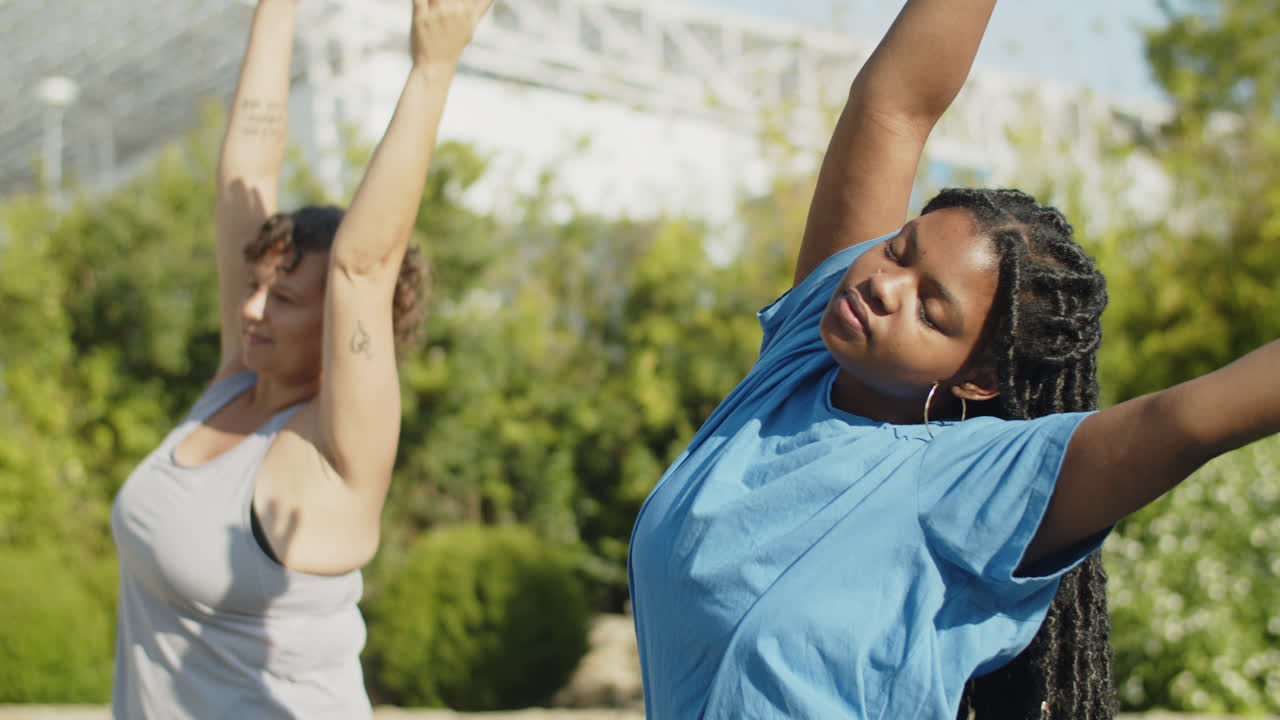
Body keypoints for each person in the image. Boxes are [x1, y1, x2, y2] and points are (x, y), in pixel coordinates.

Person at [627, 1, 1280, 718]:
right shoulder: (803, 358)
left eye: (931, 308)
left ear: (979, 377)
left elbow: (1184, 420)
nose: (882, 285)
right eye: (897, 250)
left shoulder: (966, 480)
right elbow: (894, 106)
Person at [109, 0, 492, 716]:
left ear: (336, 325)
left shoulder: (334, 453)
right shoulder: (234, 383)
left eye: (282, 298)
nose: (251, 309)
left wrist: (432, 67)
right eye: (254, 287)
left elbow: (362, 267)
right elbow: (245, 170)